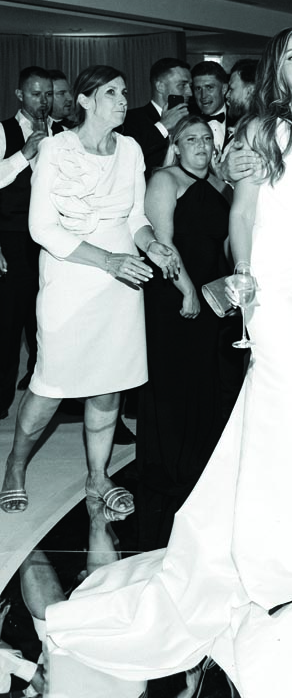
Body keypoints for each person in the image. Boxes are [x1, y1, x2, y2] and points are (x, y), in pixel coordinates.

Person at [43, 29, 292, 698]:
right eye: (291, 55)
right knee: (281, 402)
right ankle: (267, 541)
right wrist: (244, 276)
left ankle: (289, 521)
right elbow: (241, 214)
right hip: (277, 286)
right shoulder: (265, 126)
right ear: (277, 69)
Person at [0, 65, 179, 515]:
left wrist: (152, 245)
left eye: (124, 92)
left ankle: (98, 477)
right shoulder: (56, 148)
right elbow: (41, 227)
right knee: (50, 383)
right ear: (84, 100)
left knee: (108, 385)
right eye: (113, 93)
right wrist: (108, 261)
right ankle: (15, 467)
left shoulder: (133, 148)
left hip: (123, 283)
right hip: (71, 277)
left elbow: (135, 217)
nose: (123, 100)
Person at [137, 115, 231, 549]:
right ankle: (171, 467)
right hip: (175, 293)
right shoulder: (164, 179)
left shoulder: (219, 183)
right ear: (175, 146)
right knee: (175, 382)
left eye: (206, 139)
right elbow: (163, 242)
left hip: (215, 294)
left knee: (207, 379)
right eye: (190, 139)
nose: (199, 145)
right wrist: (187, 290)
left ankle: (202, 464)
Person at [0, 67, 51, 419]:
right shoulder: (2, 131)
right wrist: (25, 154)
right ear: (20, 95)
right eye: (36, 94)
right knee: (7, 323)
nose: (43, 101)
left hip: (49, 239)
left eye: (47, 94)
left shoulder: (61, 132)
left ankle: (46, 390)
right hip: (12, 238)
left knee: (46, 320)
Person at [122, 58, 192, 175]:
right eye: (182, 85)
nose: (190, 92)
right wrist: (163, 127)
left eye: (190, 85)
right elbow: (127, 157)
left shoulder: (192, 120)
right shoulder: (130, 119)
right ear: (160, 86)